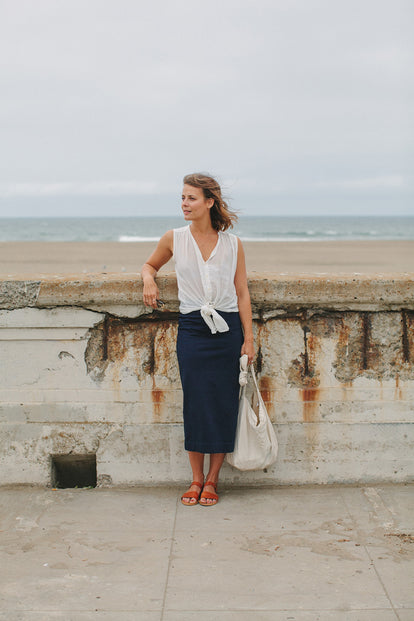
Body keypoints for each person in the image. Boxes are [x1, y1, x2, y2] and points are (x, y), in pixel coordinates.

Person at [141, 173, 255, 506]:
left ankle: (213, 481)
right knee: (195, 401)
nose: (184, 204)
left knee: (223, 401)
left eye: (191, 198)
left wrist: (249, 338)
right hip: (192, 329)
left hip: (228, 329)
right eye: (182, 198)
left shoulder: (233, 244)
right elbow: (149, 265)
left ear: (209, 202)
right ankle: (195, 479)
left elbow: (242, 292)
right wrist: (149, 281)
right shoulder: (174, 238)